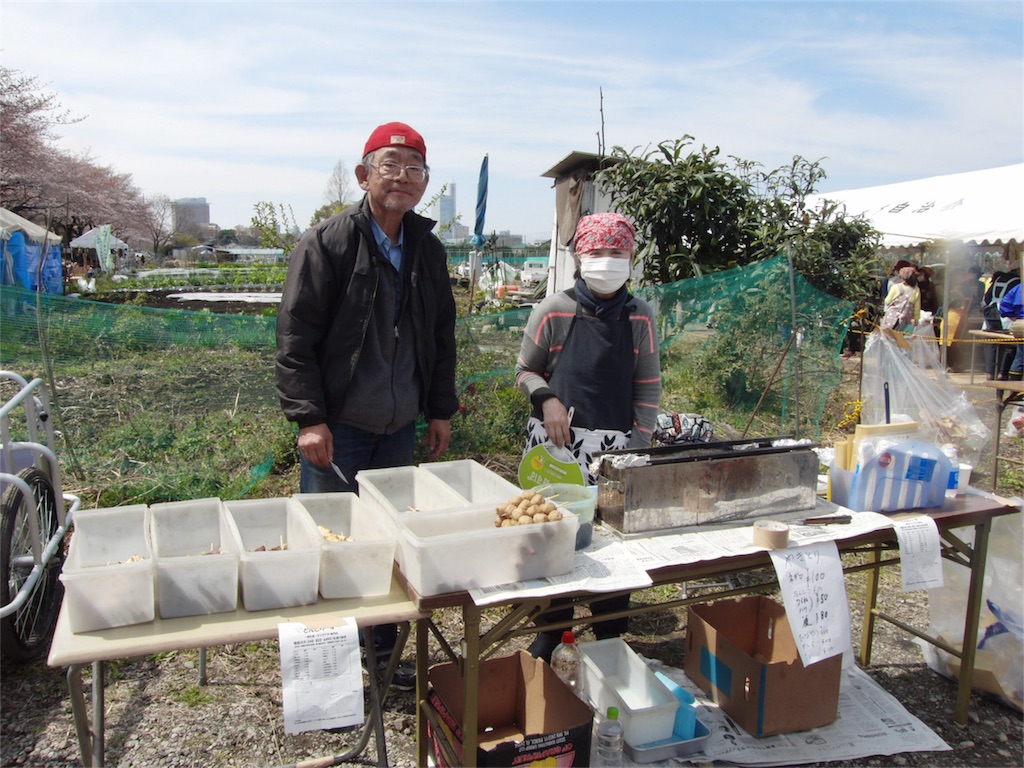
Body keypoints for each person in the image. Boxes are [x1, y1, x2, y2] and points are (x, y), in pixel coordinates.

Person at [275, 121, 459, 688]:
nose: (402, 177)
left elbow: (441, 335)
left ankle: (381, 655)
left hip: (397, 425)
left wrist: (439, 409)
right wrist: (309, 418)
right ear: (364, 175)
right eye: (390, 165)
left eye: (414, 168)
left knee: (388, 543)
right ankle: (324, 676)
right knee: (329, 542)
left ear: (424, 182)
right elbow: (296, 337)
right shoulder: (328, 242)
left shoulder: (426, 249)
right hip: (340, 425)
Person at [514, 212, 662, 661]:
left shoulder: (639, 316)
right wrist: (547, 399)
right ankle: (551, 629)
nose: (607, 260)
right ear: (580, 256)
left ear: (630, 258)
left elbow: (647, 386)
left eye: (617, 251)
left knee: (612, 546)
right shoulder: (552, 310)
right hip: (556, 447)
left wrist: (637, 447)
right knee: (552, 536)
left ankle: (610, 637)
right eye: (597, 251)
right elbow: (525, 370)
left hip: (615, 449)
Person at [998, 278, 1024, 381]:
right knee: (1020, 357)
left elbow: (1005, 306)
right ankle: (1014, 386)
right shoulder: (1019, 288)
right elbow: (1005, 306)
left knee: (1020, 357)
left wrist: (1017, 320)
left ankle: (1014, 386)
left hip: (1020, 325)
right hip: (1021, 325)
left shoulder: (1018, 288)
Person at [882, 265, 921, 331]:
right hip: (905, 318)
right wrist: (916, 318)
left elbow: (887, 301)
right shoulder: (916, 290)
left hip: (891, 317)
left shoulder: (895, 287)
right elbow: (917, 307)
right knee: (899, 335)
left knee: (887, 334)